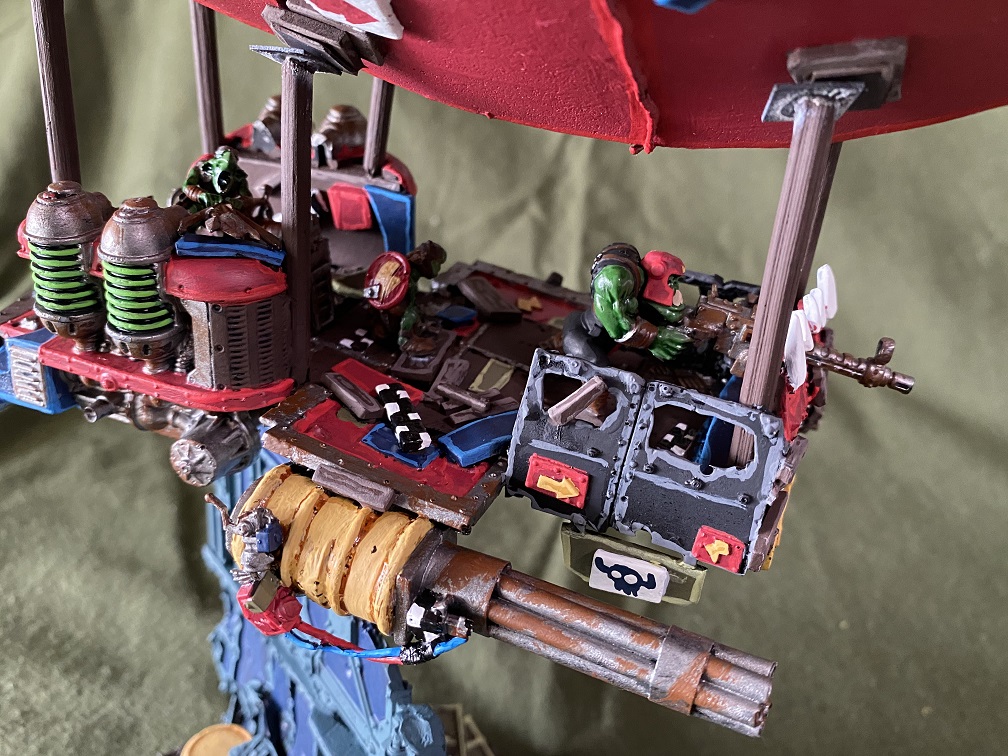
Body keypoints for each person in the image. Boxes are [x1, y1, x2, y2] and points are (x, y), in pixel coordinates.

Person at [562, 242, 690, 365]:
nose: (674, 286)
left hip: (609, 339)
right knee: (599, 370)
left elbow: (671, 313)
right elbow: (617, 324)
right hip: (583, 337)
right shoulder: (617, 279)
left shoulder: (639, 282)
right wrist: (653, 338)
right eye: (671, 281)